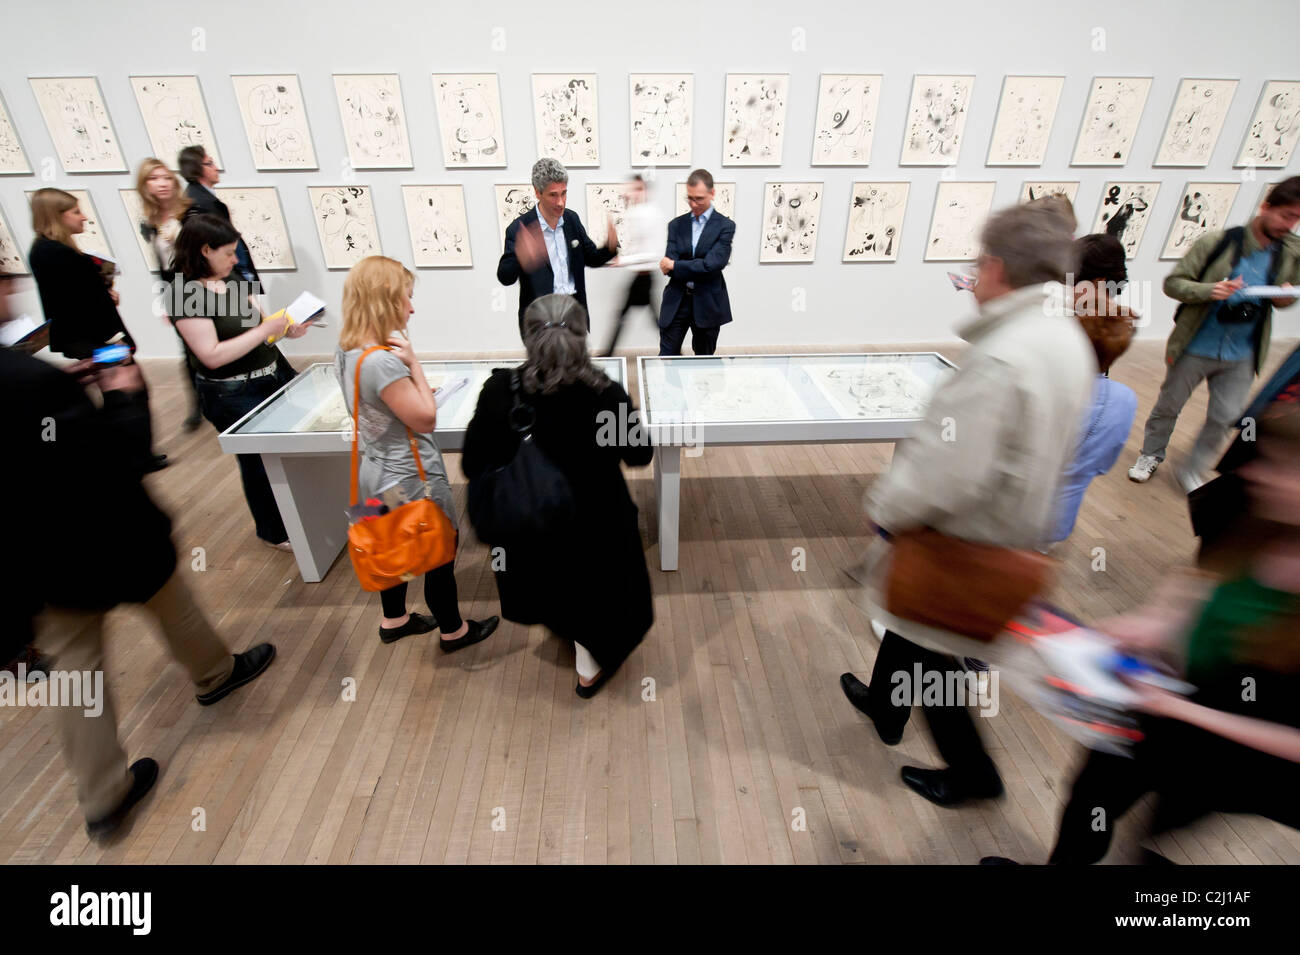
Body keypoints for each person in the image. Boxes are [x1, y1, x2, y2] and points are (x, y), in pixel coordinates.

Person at [0, 275, 276, 841]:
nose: (13, 291)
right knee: (171, 602)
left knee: (75, 668)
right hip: (103, 535)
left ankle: (103, 798)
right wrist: (125, 396)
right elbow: (111, 460)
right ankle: (216, 673)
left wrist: (62, 389)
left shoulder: (25, 379)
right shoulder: (24, 378)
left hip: (32, 559)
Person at [840, 203, 1096, 807]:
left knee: (934, 658)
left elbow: (948, 471)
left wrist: (885, 505)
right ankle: (884, 702)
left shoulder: (1003, 356)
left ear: (996, 266)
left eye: (977, 263)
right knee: (913, 624)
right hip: (1010, 528)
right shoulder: (1065, 338)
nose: (973, 275)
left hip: (966, 538)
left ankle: (974, 773)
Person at [987, 402, 1300, 865]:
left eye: (1284, 467)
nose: (1256, 473)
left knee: (1154, 839)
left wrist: (1181, 710)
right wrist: (1154, 623)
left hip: (1236, 749)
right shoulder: (1256, 515)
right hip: (1171, 702)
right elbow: (1201, 583)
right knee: (1092, 796)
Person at [462, 294, 654, 697]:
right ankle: (589, 665)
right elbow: (639, 456)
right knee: (594, 588)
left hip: (531, 527)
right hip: (598, 524)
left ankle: (563, 624)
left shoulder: (501, 390)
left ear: (527, 336)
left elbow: (472, 462)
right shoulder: (607, 394)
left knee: (555, 580)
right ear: (583, 335)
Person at [335, 255, 500, 650]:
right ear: (384, 301)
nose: (412, 307)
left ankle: (394, 620)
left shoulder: (347, 349)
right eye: (405, 298)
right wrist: (414, 364)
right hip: (411, 481)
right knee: (438, 552)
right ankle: (454, 632)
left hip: (373, 473)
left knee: (385, 539)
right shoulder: (383, 362)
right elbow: (425, 418)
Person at [1129, 176, 1300, 492]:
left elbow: (1286, 301)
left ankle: (1193, 468)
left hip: (1243, 351)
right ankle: (1150, 455)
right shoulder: (1217, 243)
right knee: (1169, 406)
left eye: (1297, 219)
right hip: (1196, 344)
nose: (1290, 225)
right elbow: (1174, 284)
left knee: (1226, 417)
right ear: (1266, 207)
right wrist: (1211, 290)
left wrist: (1284, 296)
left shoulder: (1290, 252)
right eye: (1286, 215)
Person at [170, 213, 305, 550]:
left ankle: (302, 511)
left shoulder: (234, 281)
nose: (235, 259)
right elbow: (211, 355)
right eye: (228, 252)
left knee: (291, 452)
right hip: (232, 392)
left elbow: (257, 335)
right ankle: (275, 530)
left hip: (273, 374)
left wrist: (285, 329)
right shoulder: (184, 295)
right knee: (258, 462)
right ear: (204, 251)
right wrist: (264, 330)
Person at [27, 187, 165, 472]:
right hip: (97, 340)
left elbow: (75, 296)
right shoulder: (56, 253)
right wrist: (117, 344)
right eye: (75, 211)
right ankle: (134, 458)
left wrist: (102, 292)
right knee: (124, 390)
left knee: (120, 389)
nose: (84, 217)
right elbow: (81, 305)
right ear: (57, 216)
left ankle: (134, 455)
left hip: (89, 339)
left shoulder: (47, 250)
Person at [1049, 234, 1140, 544]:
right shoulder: (1120, 397)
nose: (1066, 287)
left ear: (1098, 281)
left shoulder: (1092, 324)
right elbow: (1103, 461)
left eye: (1073, 280)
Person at [497, 157, 617, 338]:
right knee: (546, 367)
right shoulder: (520, 229)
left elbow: (590, 257)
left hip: (573, 316)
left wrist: (610, 246)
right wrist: (521, 258)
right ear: (537, 192)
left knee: (576, 366)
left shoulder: (571, 220)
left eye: (564, 193)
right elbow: (505, 277)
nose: (560, 202)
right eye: (553, 195)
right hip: (540, 322)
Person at [136, 157, 202, 431]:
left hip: (199, 283)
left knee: (214, 342)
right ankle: (196, 406)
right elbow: (159, 266)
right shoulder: (149, 221)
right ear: (145, 185)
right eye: (153, 178)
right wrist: (163, 300)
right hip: (174, 287)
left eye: (165, 177)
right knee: (187, 350)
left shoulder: (190, 213)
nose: (161, 184)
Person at [658, 168, 735, 356]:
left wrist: (676, 265)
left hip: (708, 302)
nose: (693, 204)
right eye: (690, 198)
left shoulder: (725, 226)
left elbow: (713, 265)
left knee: (703, 361)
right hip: (677, 300)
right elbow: (669, 267)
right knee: (666, 356)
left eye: (699, 198)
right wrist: (681, 266)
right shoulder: (676, 225)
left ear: (712, 193)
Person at [178, 144, 260, 291]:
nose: (216, 168)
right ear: (196, 168)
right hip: (228, 275)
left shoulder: (203, 198)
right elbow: (214, 245)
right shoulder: (199, 203)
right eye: (210, 163)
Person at [601, 175, 664, 356]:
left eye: (636, 189)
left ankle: (608, 355)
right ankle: (608, 354)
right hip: (640, 276)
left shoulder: (651, 214)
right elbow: (637, 247)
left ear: (645, 190)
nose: (631, 193)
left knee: (643, 320)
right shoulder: (638, 213)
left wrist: (625, 261)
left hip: (646, 276)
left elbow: (654, 254)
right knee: (625, 317)